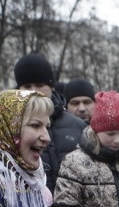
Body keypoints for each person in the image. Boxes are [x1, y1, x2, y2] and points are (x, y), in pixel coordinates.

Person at [13, 52, 86, 193]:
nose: (33, 91)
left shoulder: (78, 126)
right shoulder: (10, 126)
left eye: (39, 85)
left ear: (52, 86)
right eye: (27, 86)